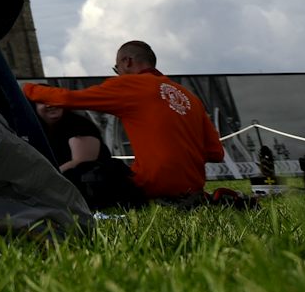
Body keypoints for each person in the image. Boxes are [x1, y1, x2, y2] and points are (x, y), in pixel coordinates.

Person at [24, 41, 224, 202]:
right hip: (193, 190)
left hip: (150, 187)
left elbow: (68, 99)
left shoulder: (129, 84)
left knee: (87, 173)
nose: (117, 73)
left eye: (116, 68)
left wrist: (27, 90)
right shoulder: (190, 97)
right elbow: (216, 153)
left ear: (127, 62)